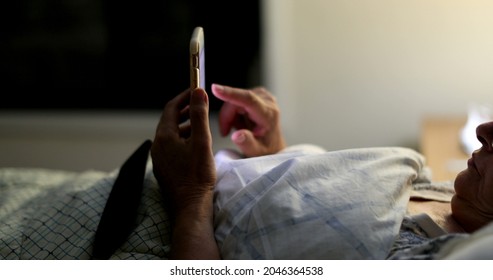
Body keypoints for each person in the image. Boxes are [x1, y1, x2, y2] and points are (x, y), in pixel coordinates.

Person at [151, 83, 493, 259]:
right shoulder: (450, 192)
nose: (483, 130)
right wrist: (275, 153)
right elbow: (324, 203)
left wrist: (191, 200)